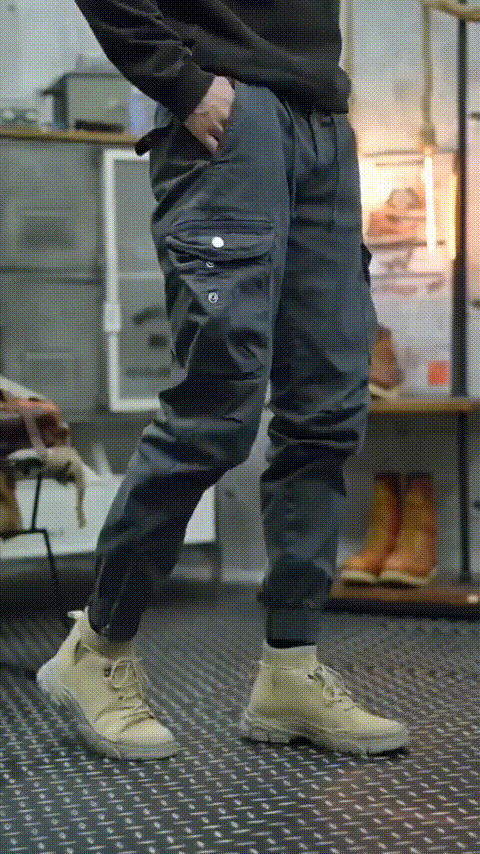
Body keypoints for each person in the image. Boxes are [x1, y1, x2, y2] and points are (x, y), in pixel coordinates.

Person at [36, 0, 410, 760]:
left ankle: (290, 669)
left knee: (329, 412)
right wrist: (183, 82)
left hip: (323, 125)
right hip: (232, 119)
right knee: (217, 414)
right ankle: (97, 649)